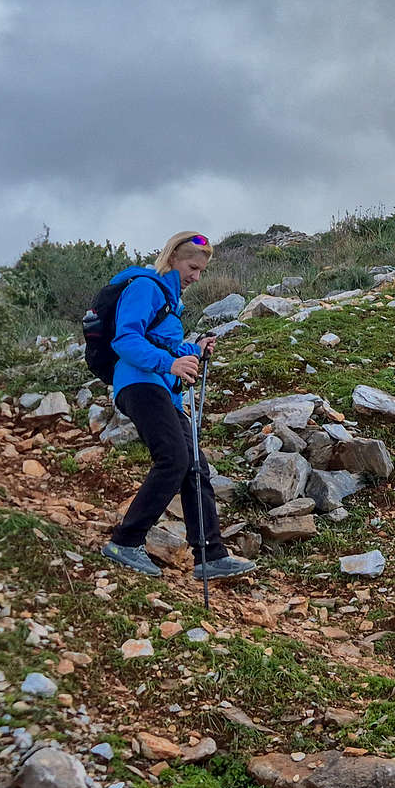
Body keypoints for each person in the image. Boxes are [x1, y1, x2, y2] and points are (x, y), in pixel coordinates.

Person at [99, 231, 257, 580]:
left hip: (163, 391)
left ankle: (210, 556)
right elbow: (126, 339)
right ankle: (125, 542)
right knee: (174, 458)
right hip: (138, 384)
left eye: (201, 271)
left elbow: (163, 346)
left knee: (196, 467)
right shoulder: (145, 287)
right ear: (172, 258)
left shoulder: (170, 304)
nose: (196, 277)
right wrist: (170, 364)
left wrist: (195, 349)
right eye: (192, 267)